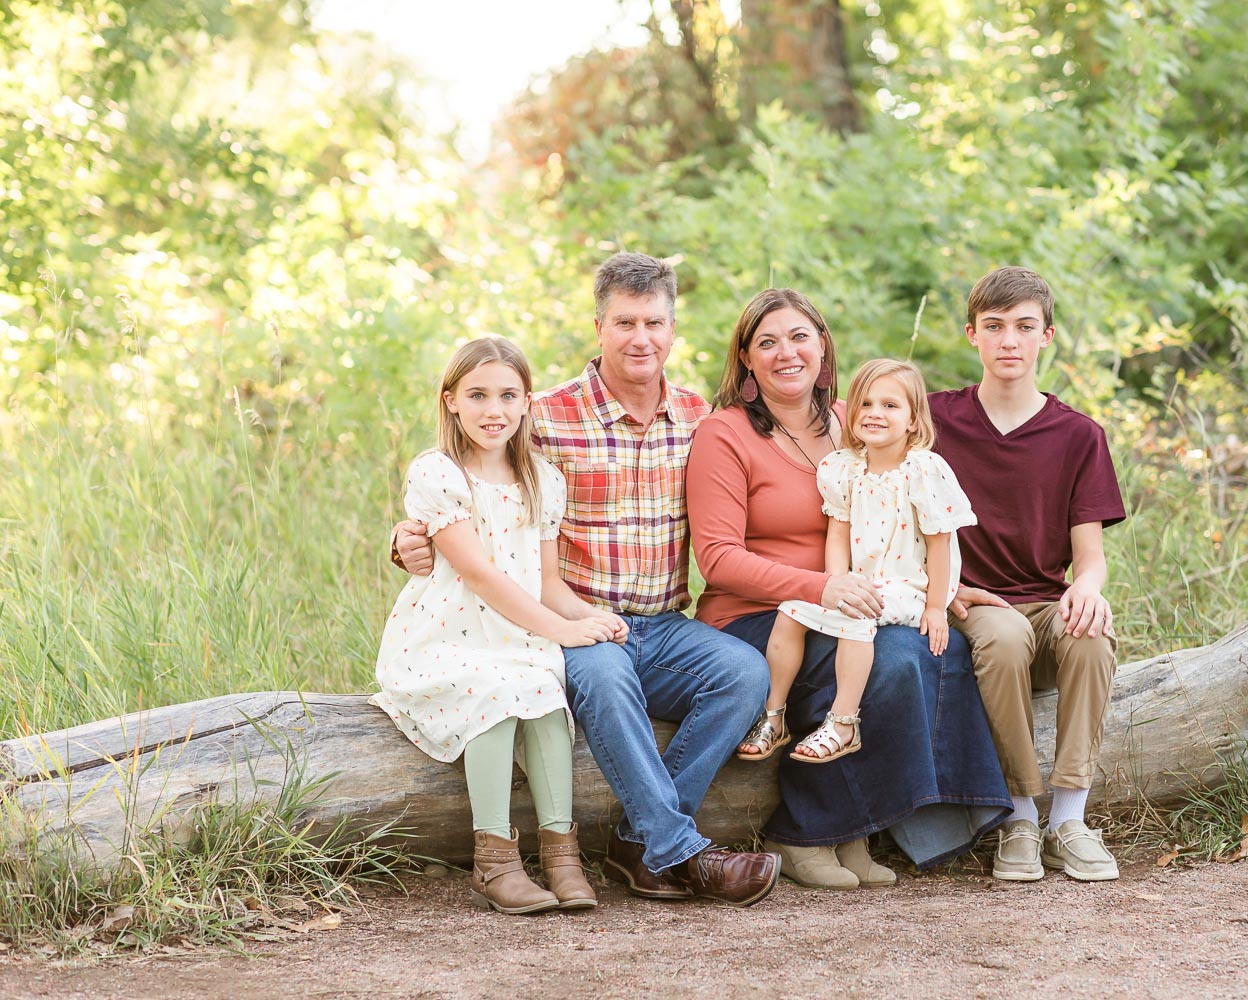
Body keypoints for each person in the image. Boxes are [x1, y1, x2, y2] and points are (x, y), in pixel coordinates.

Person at [394, 253, 780, 908]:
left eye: (654, 322)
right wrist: (406, 539)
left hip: (665, 625)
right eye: (625, 322)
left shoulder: (699, 419)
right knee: (603, 678)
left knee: (744, 673)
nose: (640, 338)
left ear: (673, 330)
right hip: (574, 621)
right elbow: (465, 476)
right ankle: (680, 852)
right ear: (598, 326)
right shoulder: (540, 415)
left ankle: (641, 842)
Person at [686, 288, 1011, 891]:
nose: (787, 352)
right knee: (884, 659)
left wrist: (938, 593)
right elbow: (719, 560)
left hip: (862, 597)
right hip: (759, 613)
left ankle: (862, 829)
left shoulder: (854, 418)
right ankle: (805, 830)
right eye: (767, 342)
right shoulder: (724, 434)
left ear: (823, 347)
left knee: (934, 647)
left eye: (800, 336)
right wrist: (825, 585)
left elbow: (914, 519)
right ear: (746, 359)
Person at [374, 335, 611, 914]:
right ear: (451, 400)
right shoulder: (439, 473)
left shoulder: (541, 479)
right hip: (444, 634)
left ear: (528, 402)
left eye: (508, 395)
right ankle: (495, 858)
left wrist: (589, 617)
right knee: (496, 692)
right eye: (477, 395)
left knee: (547, 697)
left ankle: (560, 852)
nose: (493, 410)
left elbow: (546, 582)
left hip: (514, 631)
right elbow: (477, 575)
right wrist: (561, 632)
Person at [932, 266, 1127, 883]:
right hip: (970, 604)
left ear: (1047, 335)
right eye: (994, 327)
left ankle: (1068, 817)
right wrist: (944, 590)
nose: (1008, 340)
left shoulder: (1078, 435)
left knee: (1091, 635)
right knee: (1005, 634)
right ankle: (1018, 816)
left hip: (1043, 602)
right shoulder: (935, 422)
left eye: (1023, 327)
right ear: (972, 336)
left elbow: (1088, 555)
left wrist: (1087, 590)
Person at [738, 358, 977, 768]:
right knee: (791, 609)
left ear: (914, 420)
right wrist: (833, 584)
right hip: (859, 581)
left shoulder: (923, 469)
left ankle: (843, 722)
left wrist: (937, 607)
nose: (874, 414)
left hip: (908, 588)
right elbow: (838, 534)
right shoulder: (844, 468)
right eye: (865, 404)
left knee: (857, 615)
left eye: (890, 405)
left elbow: (941, 545)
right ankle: (774, 715)